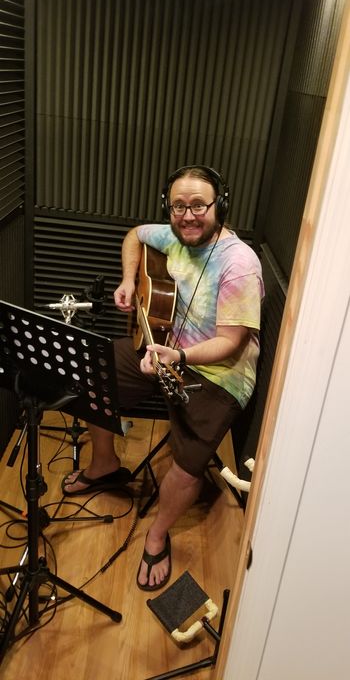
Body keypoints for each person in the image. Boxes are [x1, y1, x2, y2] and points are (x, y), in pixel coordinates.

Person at [62, 165, 264, 591]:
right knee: (91, 371)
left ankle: (157, 536)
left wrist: (180, 354)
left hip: (217, 372)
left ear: (219, 205)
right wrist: (128, 280)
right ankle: (104, 465)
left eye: (198, 206)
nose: (187, 216)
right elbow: (135, 233)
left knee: (189, 463)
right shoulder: (172, 233)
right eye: (178, 206)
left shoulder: (240, 264)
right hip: (162, 342)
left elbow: (230, 341)